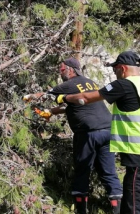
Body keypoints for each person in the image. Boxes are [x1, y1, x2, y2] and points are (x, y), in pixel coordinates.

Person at [61, 51, 140, 214]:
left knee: (136, 210)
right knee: (133, 206)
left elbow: (86, 98)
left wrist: (63, 98)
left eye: (114, 69)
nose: (114, 73)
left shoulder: (124, 85)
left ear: (122, 68)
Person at [39, 58, 123, 214]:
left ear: (71, 70)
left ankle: (81, 210)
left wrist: (29, 97)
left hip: (88, 133)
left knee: (82, 171)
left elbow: (44, 95)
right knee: (109, 171)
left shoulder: (69, 84)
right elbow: (78, 105)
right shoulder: (90, 82)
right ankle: (117, 210)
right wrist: (51, 111)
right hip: (107, 132)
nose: (60, 72)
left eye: (62, 69)